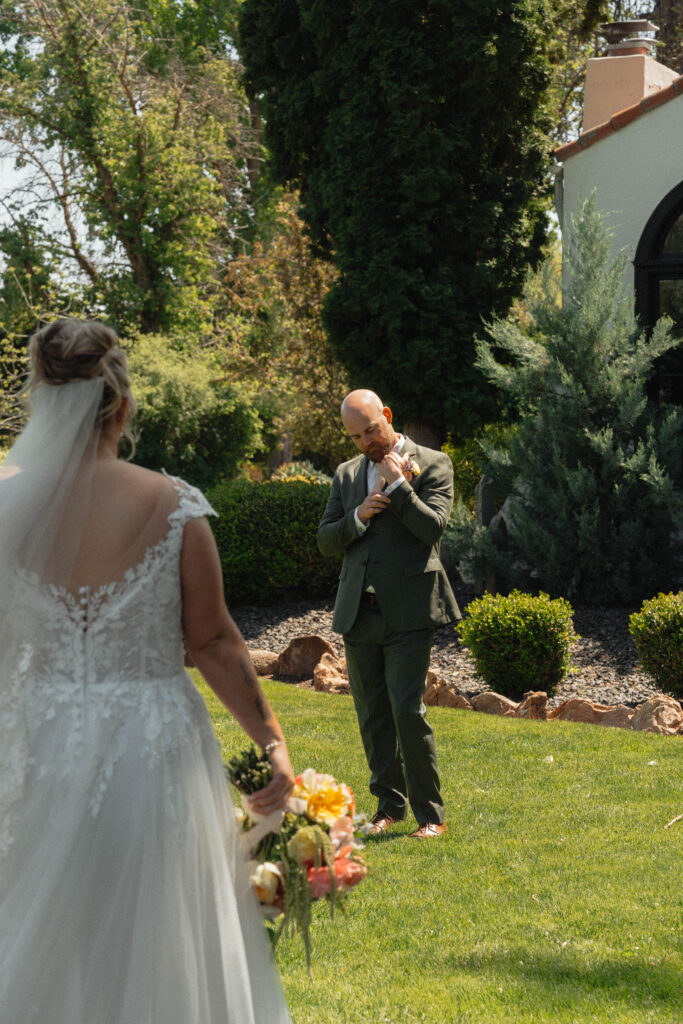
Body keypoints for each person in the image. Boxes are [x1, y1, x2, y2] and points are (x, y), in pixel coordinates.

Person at [0, 319, 294, 1024]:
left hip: (36, 740)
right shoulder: (171, 505)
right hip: (148, 741)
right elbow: (214, 642)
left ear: (42, 399)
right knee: (157, 927)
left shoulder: (5, 508)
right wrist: (273, 744)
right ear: (122, 404)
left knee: (43, 920)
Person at [318, 389, 460, 838]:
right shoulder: (345, 475)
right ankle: (388, 807)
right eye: (356, 437)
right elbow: (326, 539)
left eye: (371, 430)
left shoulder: (434, 464)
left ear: (388, 417)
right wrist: (357, 516)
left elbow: (431, 529)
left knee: (406, 710)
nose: (366, 443)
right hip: (359, 610)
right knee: (372, 711)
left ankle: (430, 816)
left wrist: (399, 487)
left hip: (411, 609)